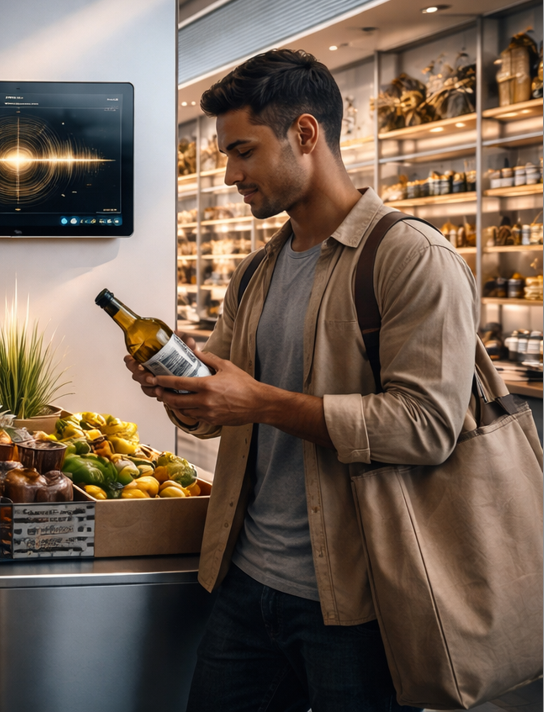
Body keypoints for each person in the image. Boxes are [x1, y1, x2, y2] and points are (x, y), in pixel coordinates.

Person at [123, 49, 480, 711]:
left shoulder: (411, 259)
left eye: (243, 151)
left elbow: (427, 426)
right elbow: (214, 409)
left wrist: (261, 401)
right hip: (244, 583)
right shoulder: (255, 272)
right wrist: (181, 392)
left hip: (359, 605)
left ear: (306, 135)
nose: (230, 174)